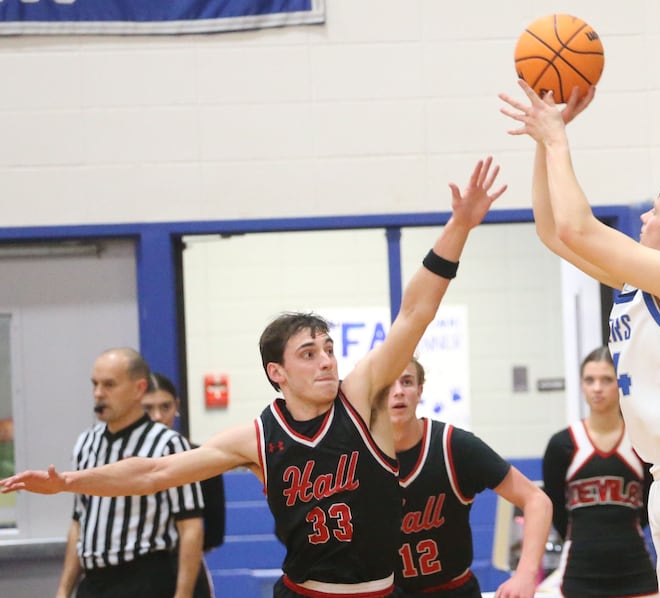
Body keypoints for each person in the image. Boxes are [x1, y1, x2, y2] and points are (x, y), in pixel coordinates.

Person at [1, 155, 507, 598]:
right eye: (308, 353)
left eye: (329, 349)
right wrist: (70, 481)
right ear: (277, 372)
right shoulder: (257, 438)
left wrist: (458, 227)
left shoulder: (363, 396)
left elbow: (415, 313)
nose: (327, 360)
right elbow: (153, 473)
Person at [499, 82, 660, 598]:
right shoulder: (639, 286)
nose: (643, 217)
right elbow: (553, 231)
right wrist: (541, 139)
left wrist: (559, 141)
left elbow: (577, 228)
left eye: (654, 212)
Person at [388, 358, 552, 598]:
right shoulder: (359, 453)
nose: (399, 392)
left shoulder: (454, 446)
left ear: (420, 390)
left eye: (407, 382)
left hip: (452, 590)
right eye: (389, 384)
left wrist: (526, 575)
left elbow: (537, 500)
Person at [56, 348, 205, 598]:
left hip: (144, 577)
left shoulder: (167, 444)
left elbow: (190, 527)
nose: (98, 393)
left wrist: (183, 594)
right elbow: (78, 521)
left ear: (139, 389)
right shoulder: (85, 442)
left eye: (109, 385)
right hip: (93, 580)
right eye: (95, 384)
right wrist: (63, 590)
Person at [541, 346, 658, 598]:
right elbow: (555, 509)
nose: (597, 388)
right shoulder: (562, 444)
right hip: (580, 570)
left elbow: (652, 504)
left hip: (635, 567)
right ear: (581, 385)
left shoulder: (642, 440)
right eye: (589, 380)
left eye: (607, 380)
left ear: (621, 384)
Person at [143, 372, 226, 598]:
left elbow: (215, 533)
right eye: (148, 409)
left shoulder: (202, 456)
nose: (158, 416)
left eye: (165, 406)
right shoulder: (123, 461)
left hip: (184, 570)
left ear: (177, 406)